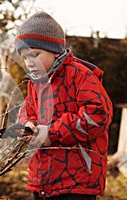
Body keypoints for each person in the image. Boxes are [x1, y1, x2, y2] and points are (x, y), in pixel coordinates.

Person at [15, 11, 113, 200]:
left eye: (35, 55)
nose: (29, 63)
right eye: (24, 57)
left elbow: (98, 114)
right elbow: (27, 111)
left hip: (77, 180)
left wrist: (52, 133)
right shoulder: (35, 83)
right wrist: (28, 127)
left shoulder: (80, 75)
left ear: (54, 50)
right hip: (43, 177)